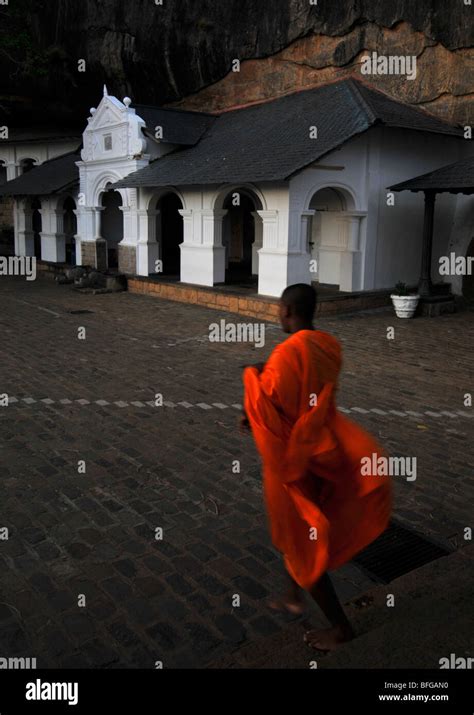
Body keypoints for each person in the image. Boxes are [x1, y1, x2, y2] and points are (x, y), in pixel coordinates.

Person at [241, 283, 392, 651]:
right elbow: (304, 393)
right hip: (323, 449)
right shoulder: (328, 346)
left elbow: (270, 400)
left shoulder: (286, 353)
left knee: (301, 539)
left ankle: (341, 628)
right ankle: (293, 593)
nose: (278, 314)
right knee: (294, 530)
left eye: (279, 309)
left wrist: (251, 378)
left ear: (286, 310)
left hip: (296, 461)